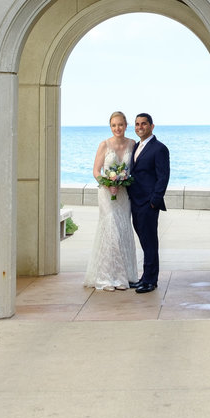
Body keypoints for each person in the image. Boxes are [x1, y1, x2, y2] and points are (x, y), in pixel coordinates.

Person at [83, 111, 139, 291]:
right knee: (110, 230)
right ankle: (106, 278)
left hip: (123, 195)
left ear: (126, 125)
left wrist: (123, 181)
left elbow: (134, 170)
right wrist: (108, 184)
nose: (117, 128)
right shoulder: (104, 145)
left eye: (120, 125)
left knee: (123, 231)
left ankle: (124, 276)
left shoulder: (132, 144)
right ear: (110, 127)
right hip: (107, 195)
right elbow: (96, 171)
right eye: (114, 125)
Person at [128, 112, 170, 293]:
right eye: (137, 124)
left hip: (148, 203)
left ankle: (151, 281)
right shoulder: (136, 146)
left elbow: (163, 177)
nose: (140, 127)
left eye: (144, 124)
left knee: (150, 242)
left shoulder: (159, 148)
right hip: (135, 202)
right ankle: (144, 278)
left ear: (152, 126)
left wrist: (154, 201)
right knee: (144, 242)